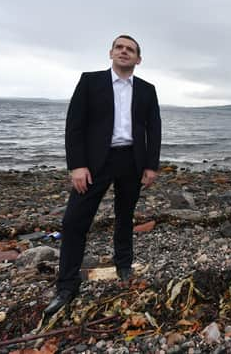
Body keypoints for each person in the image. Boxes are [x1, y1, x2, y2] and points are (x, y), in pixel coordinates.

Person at [44, 35, 161, 316]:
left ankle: (123, 265)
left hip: (131, 160)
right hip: (96, 163)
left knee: (125, 216)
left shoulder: (147, 89)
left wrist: (151, 165)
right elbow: (74, 125)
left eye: (130, 49)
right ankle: (67, 285)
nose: (124, 52)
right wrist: (77, 166)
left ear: (138, 59)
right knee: (74, 222)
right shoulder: (90, 81)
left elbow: (154, 128)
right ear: (110, 53)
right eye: (119, 47)